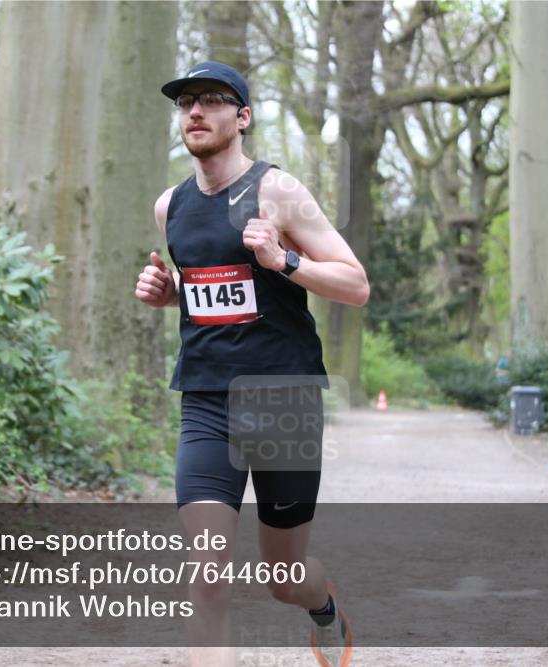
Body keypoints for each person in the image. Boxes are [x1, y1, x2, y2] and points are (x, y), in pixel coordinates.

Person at [134, 60, 369, 667]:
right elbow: (217, 295)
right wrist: (172, 296)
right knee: (207, 572)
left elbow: (355, 284)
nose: (194, 112)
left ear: (241, 118)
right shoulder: (170, 207)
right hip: (208, 403)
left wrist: (284, 262)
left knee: (285, 578)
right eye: (185, 102)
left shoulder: (277, 192)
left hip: (283, 401)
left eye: (211, 101)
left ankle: (323, 606)